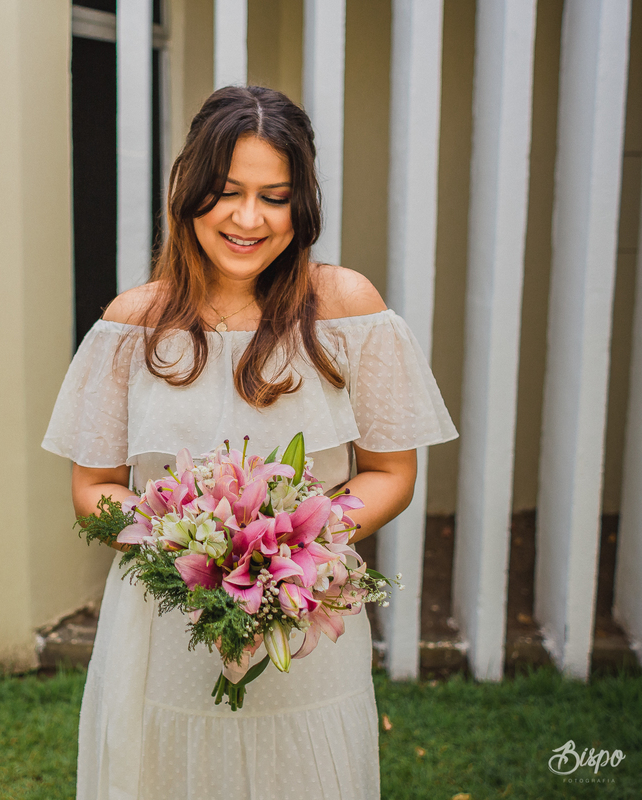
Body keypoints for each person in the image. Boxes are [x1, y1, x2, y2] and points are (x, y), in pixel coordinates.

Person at [42, 85, 457, 799]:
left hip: (309, 618)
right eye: (228, 191)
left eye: (275, 195)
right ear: (190, 191)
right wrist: (191, 551)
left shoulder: (350, 309)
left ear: (303, 203)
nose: (247, 218)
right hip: (163, 625)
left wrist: (294, 556)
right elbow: (93, 490)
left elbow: (391, 471)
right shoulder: (130, 324)